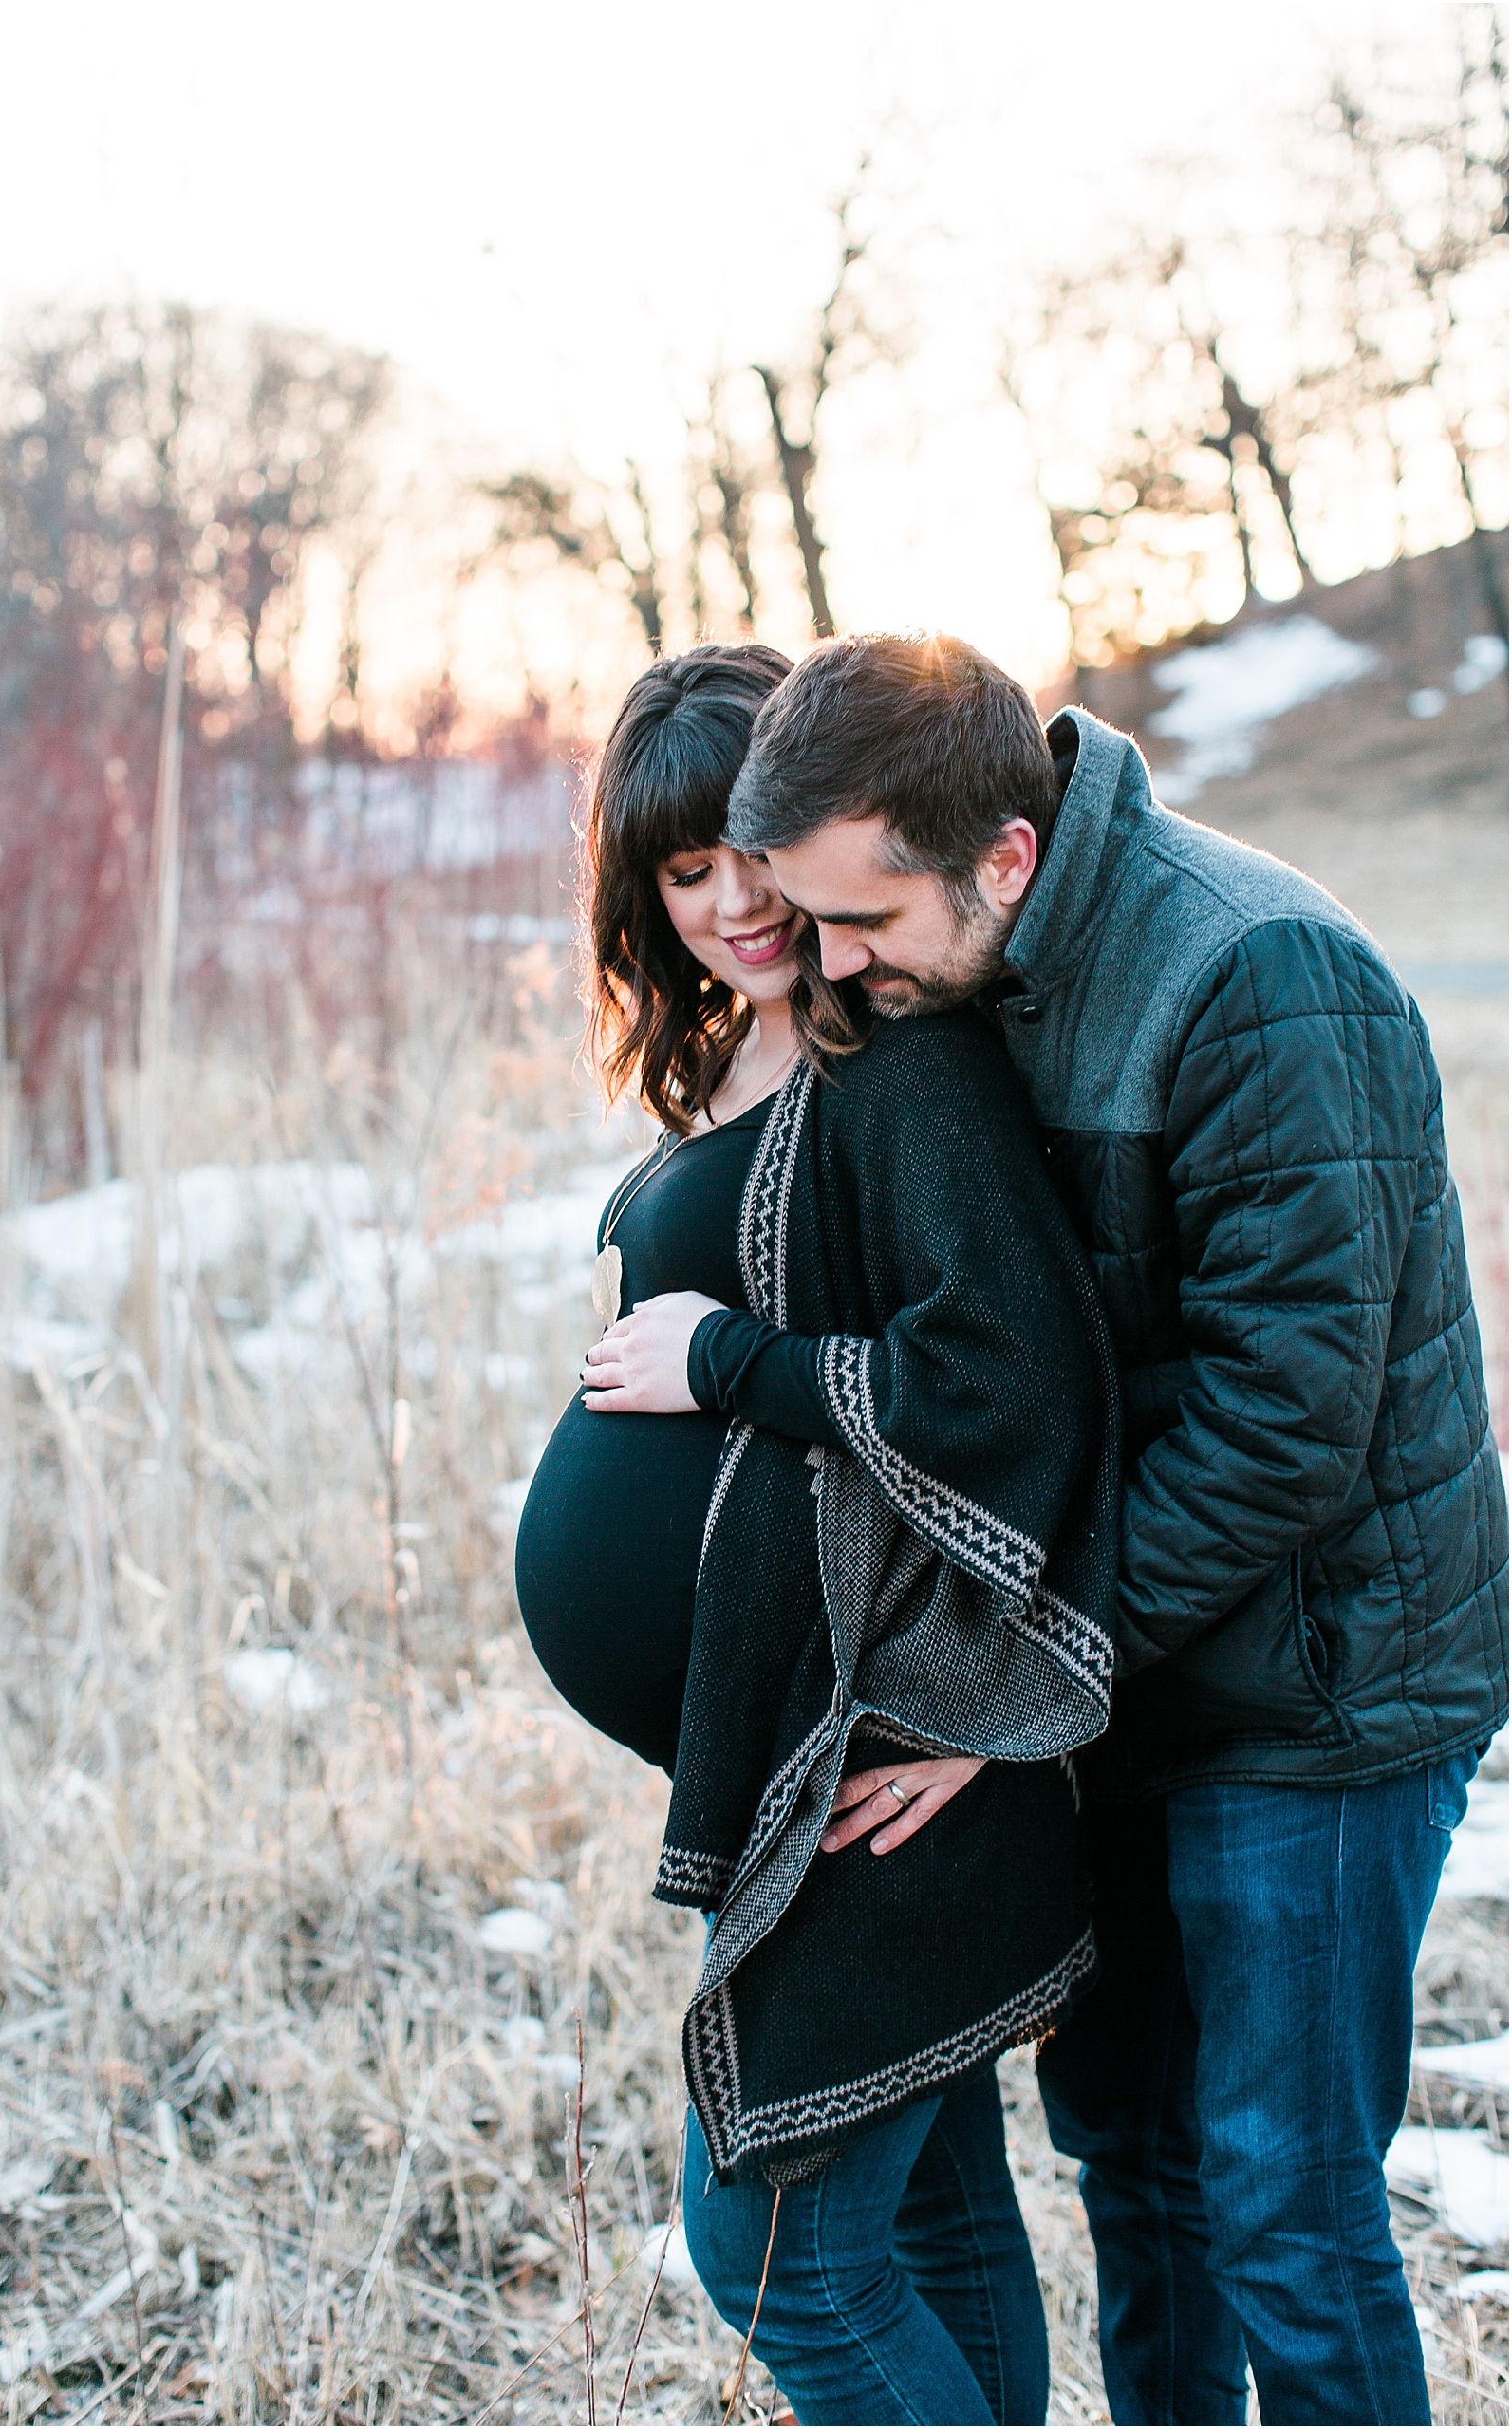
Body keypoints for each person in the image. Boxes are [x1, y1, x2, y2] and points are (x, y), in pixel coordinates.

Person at [723, 628, 1509, 2429]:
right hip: (1134, 1682)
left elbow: (1281, 1428)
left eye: (863, 922)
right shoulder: (961, 965)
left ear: (1003, 855)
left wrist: (1011, 1681)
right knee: (1136, 2170)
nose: (831, 965)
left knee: (1286, 2212)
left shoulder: (1258, 975)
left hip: (1319, 1694)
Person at [515, 642, 1122, 2427]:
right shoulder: (744, 1064)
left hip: (879, 1759)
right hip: (800, 1752)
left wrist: (731, 1361)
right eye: (678, 874)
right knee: (931, 2221)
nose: (727, 906)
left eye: (746, 856)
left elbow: (1014, 1381)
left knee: (776, 2253)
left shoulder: (893, 1063)